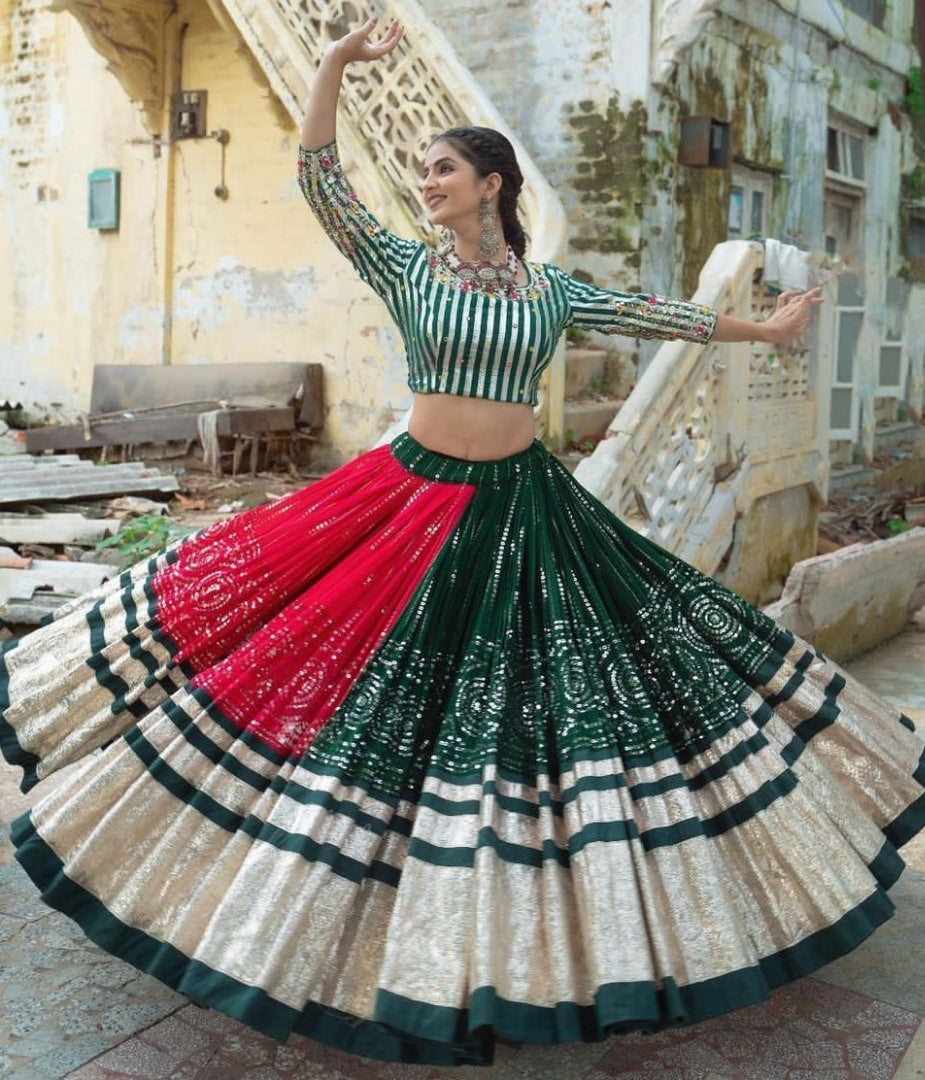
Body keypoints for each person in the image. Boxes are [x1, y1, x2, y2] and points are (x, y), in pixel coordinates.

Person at [1, 15, 922, 1070]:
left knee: (554, 698)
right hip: (405, 503)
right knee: (342, 671)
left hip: (525, 510)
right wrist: (335, 64)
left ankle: (524, 932)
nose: (425, 181)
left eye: (442, 168)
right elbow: (320, 178)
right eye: (422, 169)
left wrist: (765, 329)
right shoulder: (406, 269)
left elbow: (653, 316)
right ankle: (339, 920)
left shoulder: (551, 290)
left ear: (492, 183)